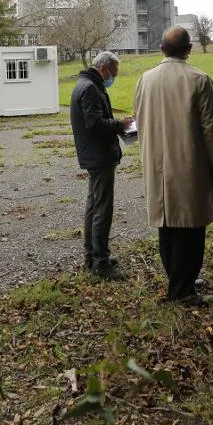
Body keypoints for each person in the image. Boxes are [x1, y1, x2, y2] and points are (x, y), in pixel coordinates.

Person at [133, 26, 213, 304]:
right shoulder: (198, 79)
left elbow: (139, 120)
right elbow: (210, 128)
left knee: (167, 223)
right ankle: (182, 289)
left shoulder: (144, 79)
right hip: (190, 163)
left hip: (156, 163)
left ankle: (178, 280)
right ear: (188, 49)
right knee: (192, 225)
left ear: (161, 48)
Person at [70, 50, 134, 280]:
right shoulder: (89, 88)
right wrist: (120, 124)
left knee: (94, 205)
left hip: (95, 155)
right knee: (102, 208)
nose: (113, 78)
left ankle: (92, 255)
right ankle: (101, 261)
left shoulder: (86, 84)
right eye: (113, 73)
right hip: (99, 156)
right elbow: (95, 125)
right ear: (105, 68)